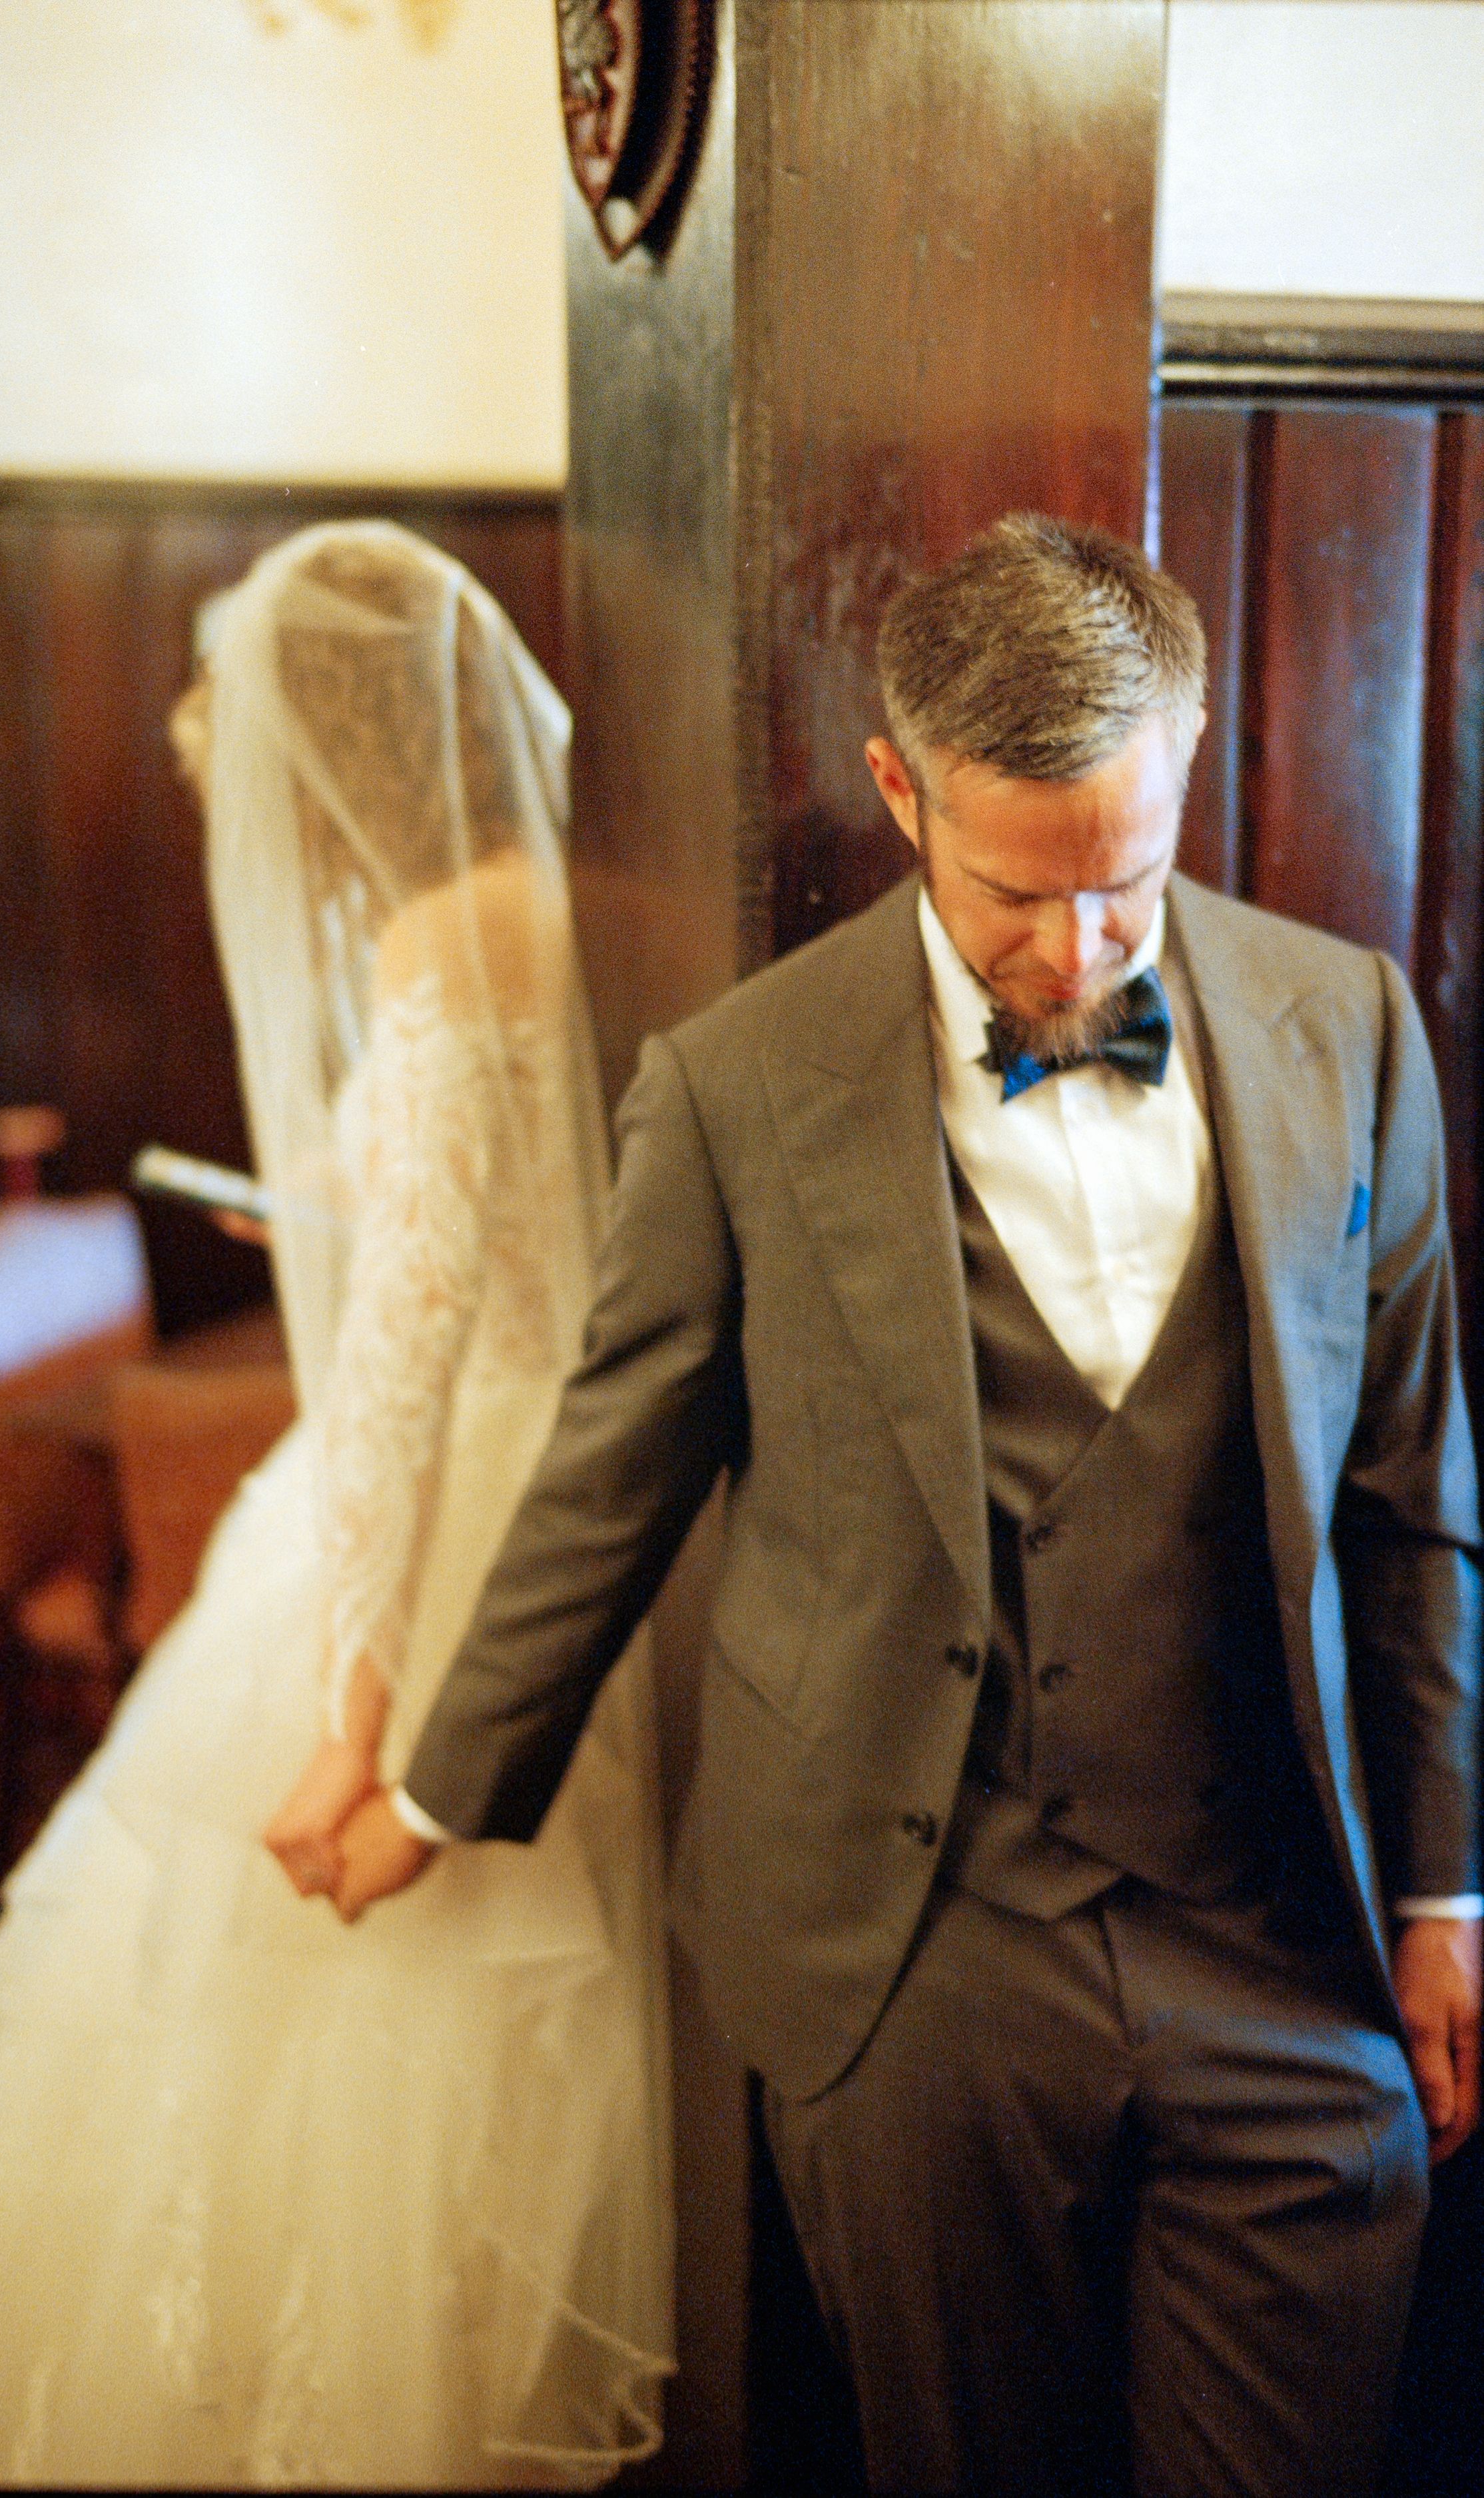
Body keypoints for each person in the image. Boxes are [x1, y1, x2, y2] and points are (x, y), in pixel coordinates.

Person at [348, 514, 1481, 2496]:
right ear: (898, 793)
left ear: (1190, 754)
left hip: (1282, 1939)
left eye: (1123, 889)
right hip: (918, 1948)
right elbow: (609, 1469)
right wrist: (436, 1787)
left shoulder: (1348, 1028)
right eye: (1011, 895)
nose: (1072, 954)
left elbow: (1410, 1495)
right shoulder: (733, 1085)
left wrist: (1444, 1885)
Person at [0, 523, 672, 2489]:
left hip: (455, 1501)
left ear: (340, 764)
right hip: (566, 1479)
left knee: (327, 2039)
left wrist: (356, 1718)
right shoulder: (563, 890)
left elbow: (394, 1373)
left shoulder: (441, 936)